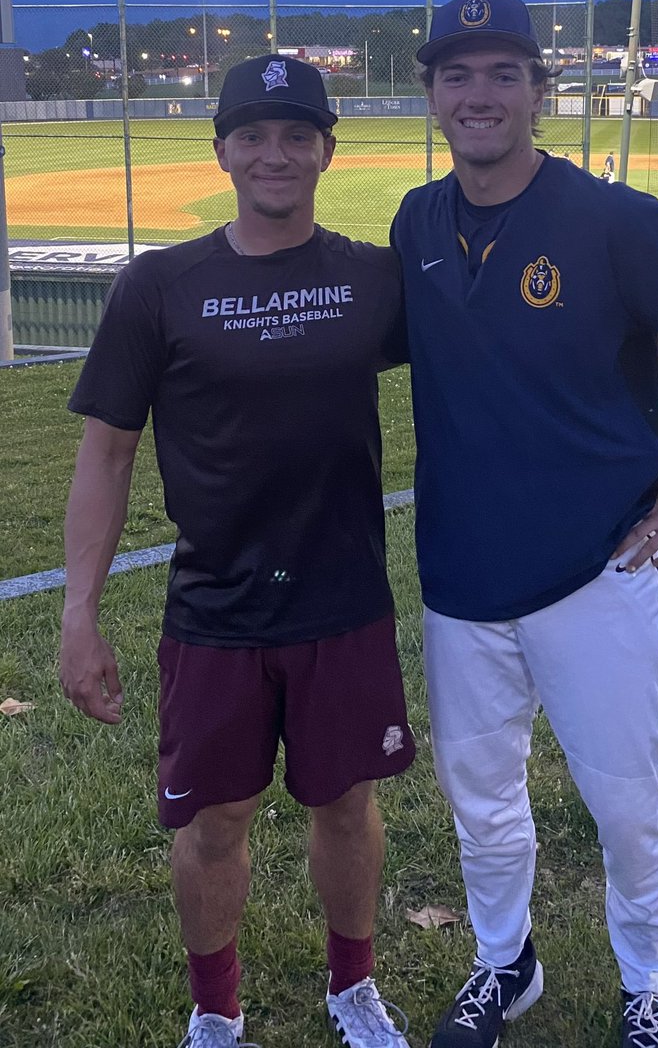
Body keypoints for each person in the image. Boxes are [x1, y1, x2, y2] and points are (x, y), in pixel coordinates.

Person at [390, 0, 658, 1048]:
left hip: (595, 569)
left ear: (539, 93)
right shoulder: (418, 220)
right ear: (430, 94)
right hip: (461, 577)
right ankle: (504, 965)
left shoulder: (613, 221)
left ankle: (649, 982)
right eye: (457, 74)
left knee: (623, 804)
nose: (478, 94)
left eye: (503, 73)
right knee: (481, 802)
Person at [60, 55, 415, 1048]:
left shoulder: (368, 278)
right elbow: (108, 449)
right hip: (215, 612)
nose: (275, 153)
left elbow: (486, 351)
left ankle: (354, 989)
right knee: (215, 823)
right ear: (220, 152)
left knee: (346, 808)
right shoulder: (161, 286)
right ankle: (216, 1010)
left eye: (297, 134)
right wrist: (78, 612)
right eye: (252, 135)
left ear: (327, 153)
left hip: (343, 603)